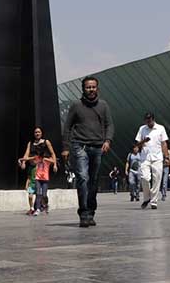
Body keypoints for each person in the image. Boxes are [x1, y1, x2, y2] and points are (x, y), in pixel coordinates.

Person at [61, 76, 114, 228]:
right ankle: (83, 213)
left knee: (94, 180)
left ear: (97, 88)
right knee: (83, 178)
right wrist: (65, 148)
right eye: (88, 87)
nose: (91, 90)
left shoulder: (103, 105)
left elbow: (110, 125)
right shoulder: (76, 105)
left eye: (93, 87)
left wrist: (108, 140)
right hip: (80, 146)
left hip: (97, 147)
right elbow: (67, 127)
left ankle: (91, 212)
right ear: (83, 89)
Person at [135, 112, 170, 210]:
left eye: (149, 121)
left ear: (153, 120)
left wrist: (166, 157)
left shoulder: (160, 128)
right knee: (145, 178)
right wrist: (143, 142)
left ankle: (154, 201)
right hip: (145, 157)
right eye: (146, 121)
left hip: (157, 157)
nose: (148, 123)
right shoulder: (142, 129)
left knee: (157, 178)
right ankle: (147, 198)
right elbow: (138, 143)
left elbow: (164, 143)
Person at [18, 126, 56, 216]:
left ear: (41, 133)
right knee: (35, 189)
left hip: (42, 168)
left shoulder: (46, 142)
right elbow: (27, 154)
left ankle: (42, 205)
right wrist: (23, 162)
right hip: (32, 167)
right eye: (35, 132)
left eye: (39, 132)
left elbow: (53, 153)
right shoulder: (30, 143)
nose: (37, 134)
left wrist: (54, 165)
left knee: (42, 191)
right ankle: (35, 207)